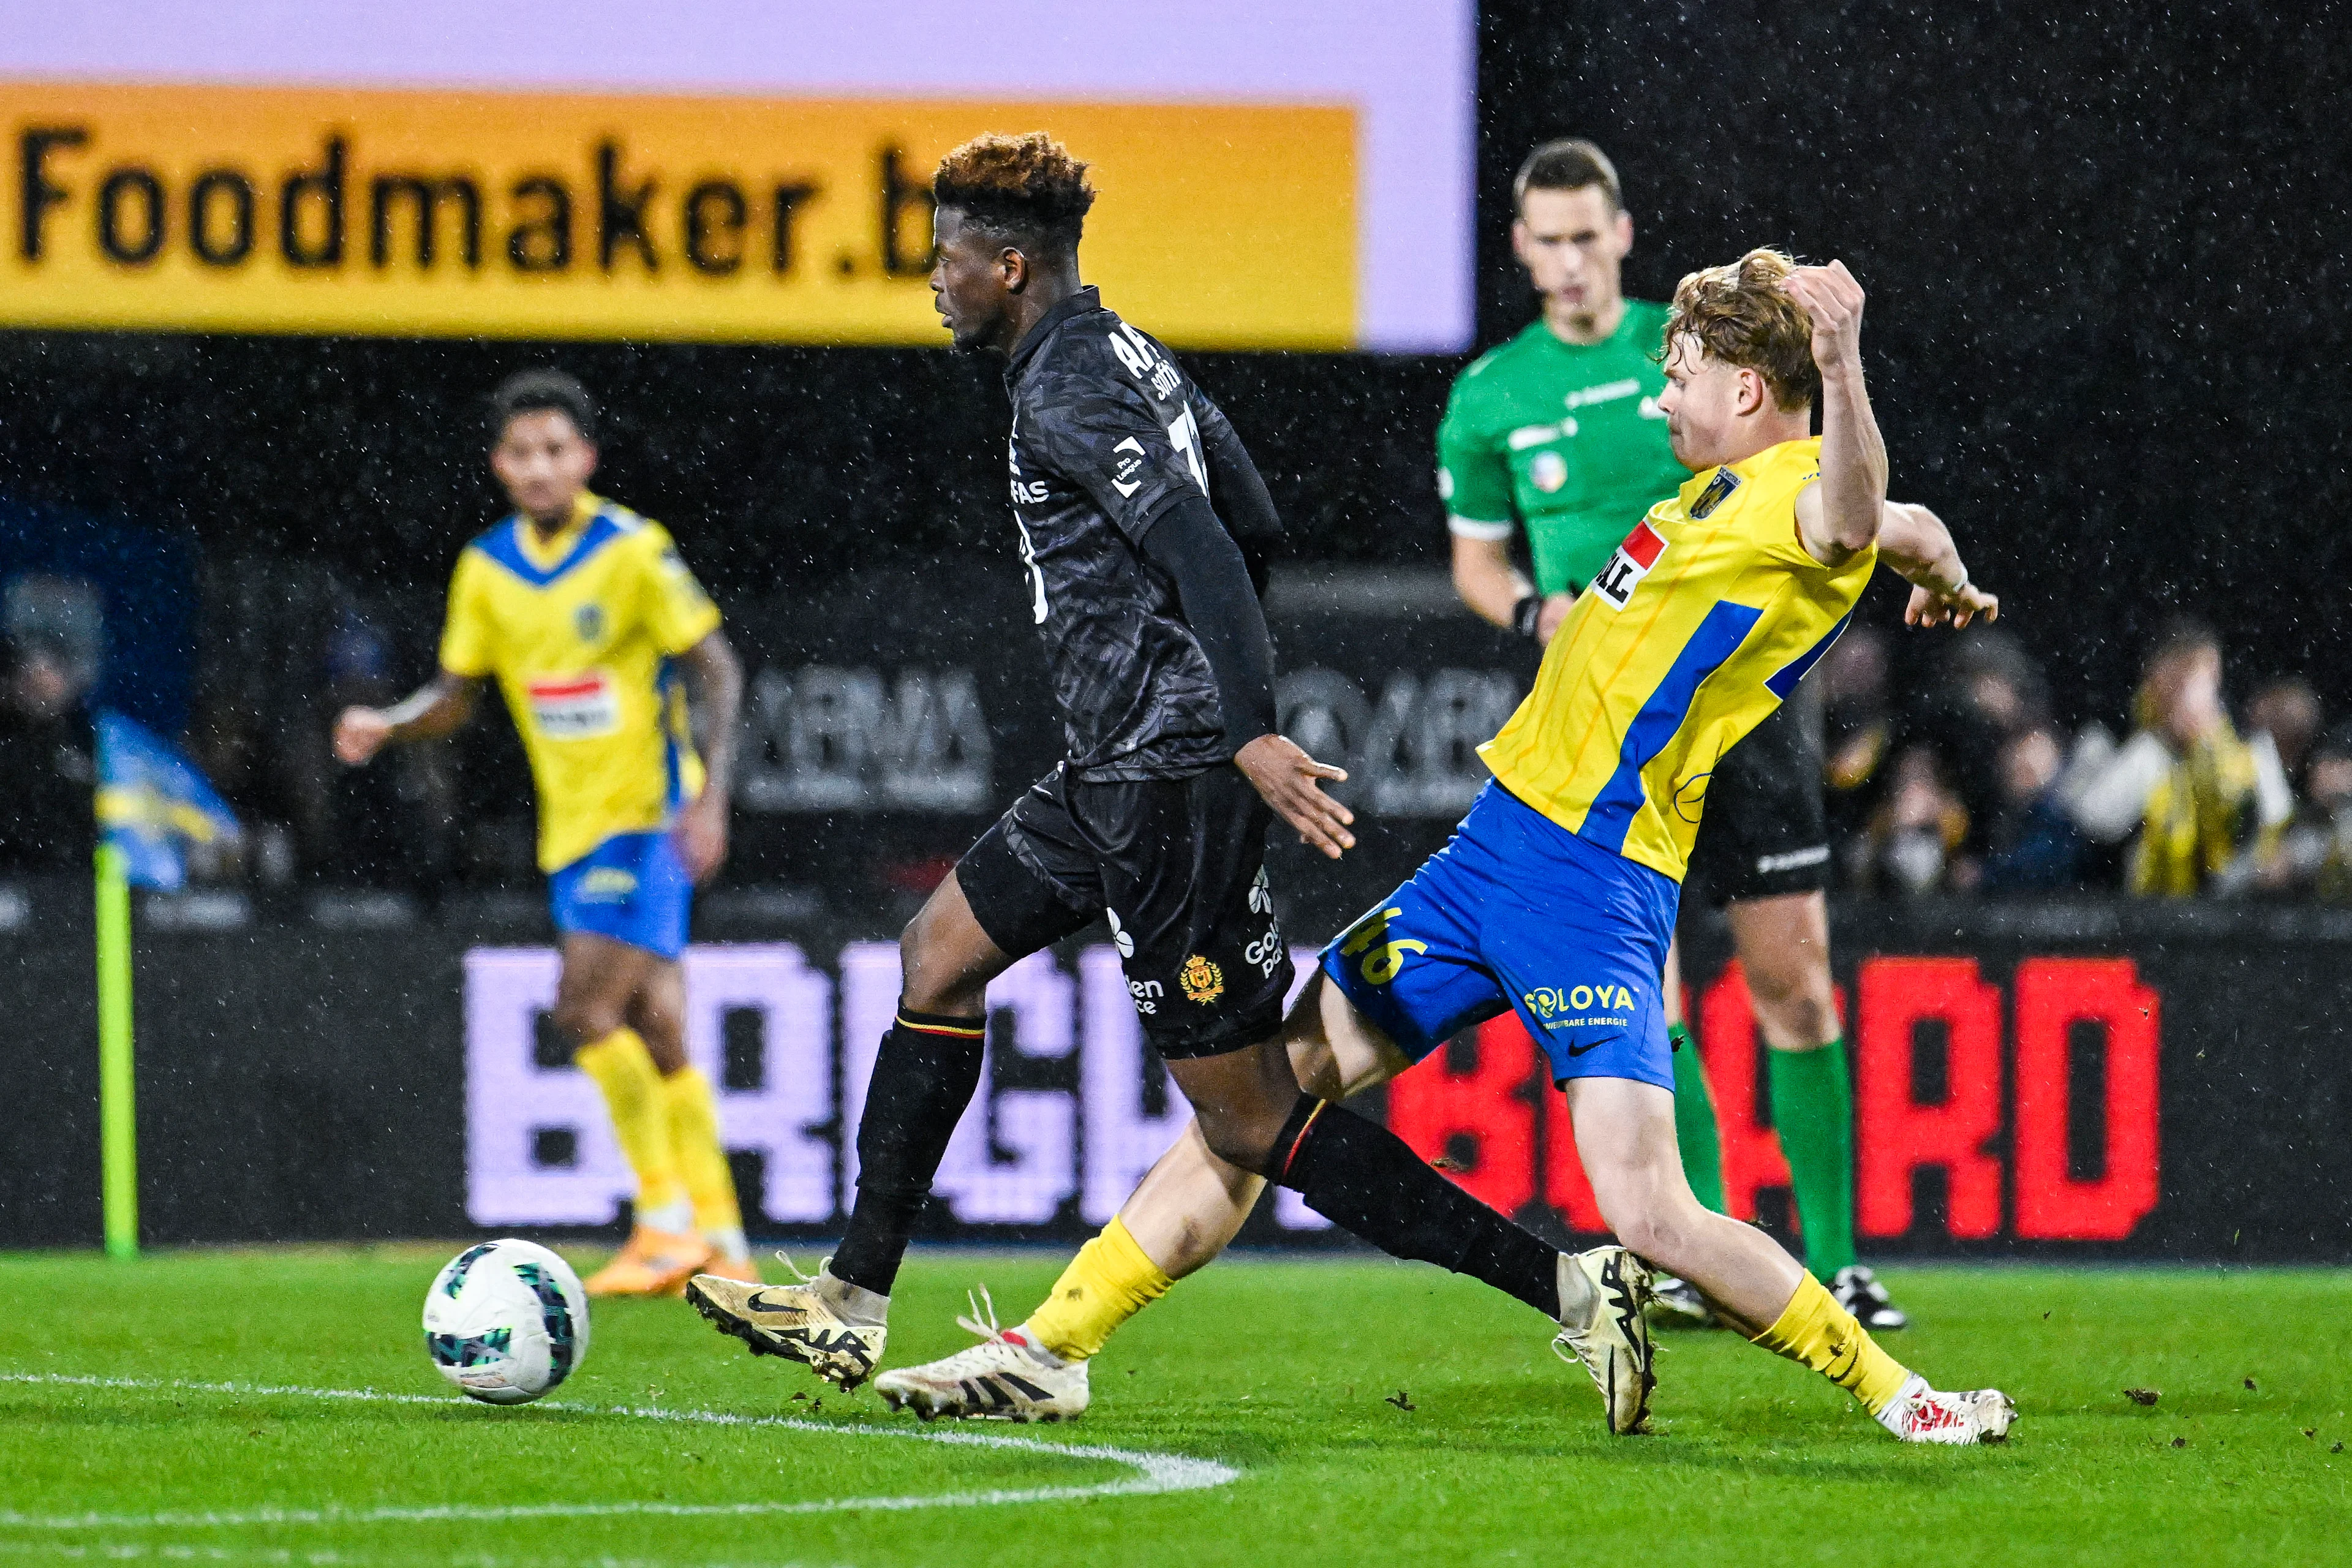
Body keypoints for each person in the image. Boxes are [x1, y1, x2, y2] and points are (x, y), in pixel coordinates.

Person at [873, 249, 2015, 1445]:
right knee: (1270, 1096)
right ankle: (1052, 1345)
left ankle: (1904, 1394)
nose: (1658, 398)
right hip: (1485, 864)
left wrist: (1840, 360)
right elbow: (1901, 520)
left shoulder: (1792, 493)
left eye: (1677, 377)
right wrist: (1943, 565)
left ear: (1745, 391)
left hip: (1592, 886)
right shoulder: (1714, 496)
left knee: (1652, 1211)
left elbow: (1849, 508)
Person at [684, 132, 1644, 1406]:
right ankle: (850, 1301)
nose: (933, 283)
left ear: (1009, 266)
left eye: (947, 261)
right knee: (937, 953)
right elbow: (1254, 515)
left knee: (1251, 1119)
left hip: (1165, 776)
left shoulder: (1068, 381)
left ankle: (1577, 1291)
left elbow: (1196, 531)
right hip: (1113, 766)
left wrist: (1235, 726)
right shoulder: (1125, 348)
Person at [1434, 139, 1904, 1330]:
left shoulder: (1697, 350)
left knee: (1792, 978)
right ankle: (1706, 1252)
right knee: (1654, 995)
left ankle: (1840, 1260)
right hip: (1606, 722)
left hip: (1739, 711)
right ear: (1522, 249)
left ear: (1623, 234)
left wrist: (1917, 539)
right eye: (1549, 238)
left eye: (1590, 234)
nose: (1573, 258)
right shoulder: (1490, 394)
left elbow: (1825, 504)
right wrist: (1539, 610)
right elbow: (1476, 565)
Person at [333, 371, 756, 1295]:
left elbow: (716, 669)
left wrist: (711, 798)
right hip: (570, 830)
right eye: (522, 453)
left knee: (583, 1011)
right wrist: (388, 721)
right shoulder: (488, 568)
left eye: (556, 451)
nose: (539, 467)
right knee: (652, 1020)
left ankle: (661, 1224)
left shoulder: (633, 550)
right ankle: (721, 1236)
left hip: (646, 816)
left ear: (587, 460)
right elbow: (456, 696)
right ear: (498, 465)